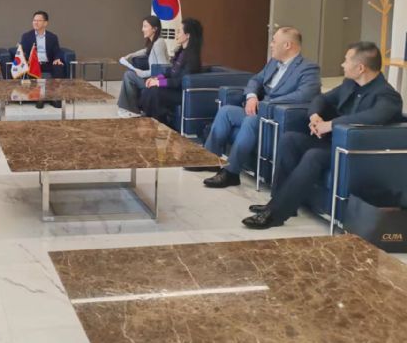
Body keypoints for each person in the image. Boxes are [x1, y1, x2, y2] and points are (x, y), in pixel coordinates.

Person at [242, 42, 403, 229]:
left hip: (355, 153)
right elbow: (321, 98)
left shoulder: (387, 95)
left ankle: (275, 215)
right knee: (290, 140)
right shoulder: (349, 84)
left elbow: (372, 117)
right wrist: (315, 115)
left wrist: (331, 125)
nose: (342, 65)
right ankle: (278, 202)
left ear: (360, 68)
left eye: (346, 60)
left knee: (314, 156)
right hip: (332, 144)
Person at [201, 27, 321, 187]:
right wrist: (251, 96)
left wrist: (268, 103)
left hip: (275, 117)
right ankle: (209, 160)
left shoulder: (308, 68)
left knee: (250, 121)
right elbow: (255, 80)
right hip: (259, 109)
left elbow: (304, 95)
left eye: (274, 41)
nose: (271, 44)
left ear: (287, 45)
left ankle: (231, 173)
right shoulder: (273, 62)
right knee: (226, 112)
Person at [138, 18, 203, 122]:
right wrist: (156, 78)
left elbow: (180, 82)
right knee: (150, 88)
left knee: (155, 91)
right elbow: (171, 72)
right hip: (173, 88)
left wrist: (158, 83)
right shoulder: (181, 52)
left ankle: (155, 121)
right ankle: (146, 117)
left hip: (180, 93)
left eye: (179, 31)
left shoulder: (192, 58)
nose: (177, 34)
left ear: (187, 35)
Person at [117, 15, 170, 117]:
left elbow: (163, 69)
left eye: (145, 26)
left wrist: (143, 73)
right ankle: (128, 108)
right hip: (152, 77)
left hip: (155, 81)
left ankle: (132, 110)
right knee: (129, 74)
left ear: (154, 29)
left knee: (129, 75)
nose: (142, 29)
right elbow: (145, 51)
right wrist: (129, 56)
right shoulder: (154, 42)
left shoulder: (159, 43)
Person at [19, 10, 65, 109]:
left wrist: (57, 58)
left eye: (39, 20)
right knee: (34, 69)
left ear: (45, 23)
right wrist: (25, 59)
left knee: (59, 67)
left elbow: (57, 51)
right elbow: (23, 52)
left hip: (48, 63)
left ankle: (56, 98)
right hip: (34, 63)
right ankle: (40, 98)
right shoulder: (26, 36)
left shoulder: (52, 37)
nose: (35, 22)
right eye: (34, 20)